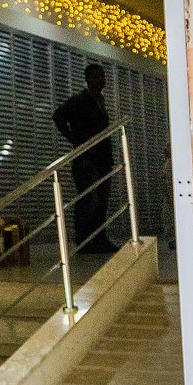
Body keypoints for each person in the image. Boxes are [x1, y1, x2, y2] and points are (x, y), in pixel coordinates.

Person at [52, 64, 118, 254]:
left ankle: (100, 237)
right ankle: (84, 239)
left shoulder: (99, 100)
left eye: (103, 77)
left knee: (102, 201)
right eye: (97, 77)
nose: (101, 80)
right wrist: (75, 140)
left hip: (102, 159)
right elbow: (58, 116)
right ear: (88, 79)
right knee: (88, 199)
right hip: (87, 160)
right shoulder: (80, 100)